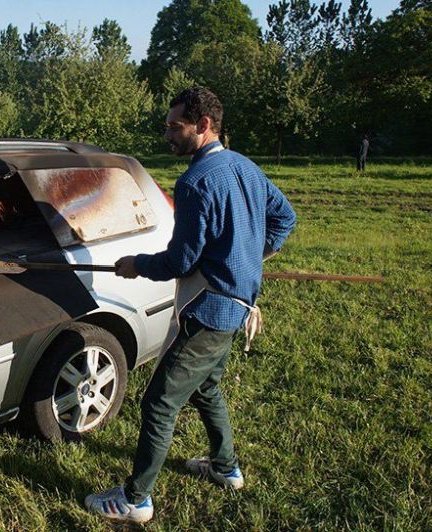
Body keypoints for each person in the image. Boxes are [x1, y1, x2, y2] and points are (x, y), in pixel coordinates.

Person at [84, 87, 297, 524]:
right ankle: (225, 468)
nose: (167, 134)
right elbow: (285, 218)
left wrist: (135, 264)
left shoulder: (196, 182)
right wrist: (249, 256)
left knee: (160, 402)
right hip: (236, 304)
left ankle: (135, 499)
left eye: (174, 126)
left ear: (203, 126)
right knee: (205, 387)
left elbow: (179, 261)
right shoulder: (245, 166)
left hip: (209, 311)